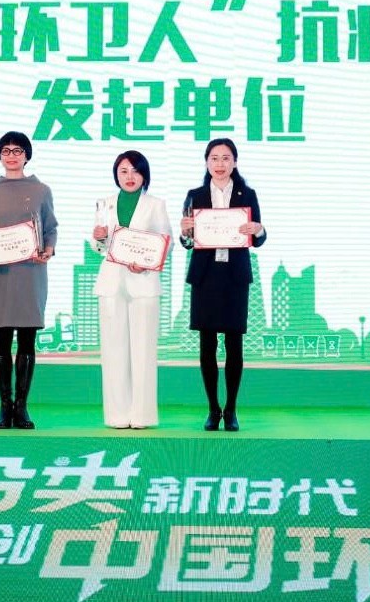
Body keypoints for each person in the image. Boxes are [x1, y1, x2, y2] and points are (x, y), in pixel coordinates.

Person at [180, 138, 266, 432]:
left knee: (234, 346)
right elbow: (187, 242)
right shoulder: (195, 196)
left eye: (226, 158)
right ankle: (212, 409)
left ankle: (230, 410)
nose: (220, 164)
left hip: (234, 277)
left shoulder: (247, 194)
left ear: (235, 162)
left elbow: (258, 238)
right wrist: (185, 232)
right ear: (206, 162)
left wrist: (258, 229)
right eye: (214, 158)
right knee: (207, 346)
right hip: (205, 277)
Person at [0, 132, 57, 429]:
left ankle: (21, 407)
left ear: (27, 156)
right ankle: (4, 406)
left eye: (18, 150)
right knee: (1, 339)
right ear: (0, 156)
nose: (12, 155)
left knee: (27, 340)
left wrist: (49, 249)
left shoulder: (41, 190)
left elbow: (50, 227)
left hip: (31, 273)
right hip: (2, 274)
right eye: (6, 151)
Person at [91, 150, 172, 429]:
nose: (129, 176)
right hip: (111, 282)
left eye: (135, 171)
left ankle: (142, 415)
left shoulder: (155, 205)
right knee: (113, 351)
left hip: (144, 283)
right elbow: (99, 247)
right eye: (123, 171)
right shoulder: (105, 204)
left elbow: (166, 242)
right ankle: (116, 414)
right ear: (116, 174)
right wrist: (98, 238)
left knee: (143, 350)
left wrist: (146, 263)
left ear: (144, 175)